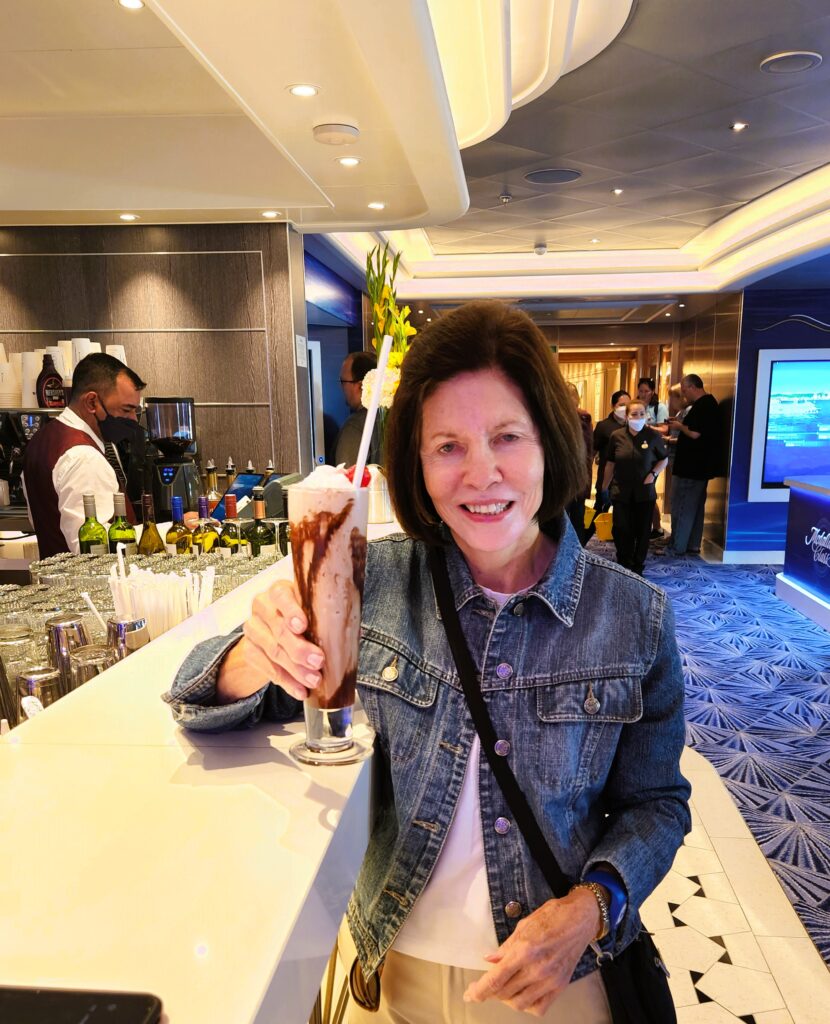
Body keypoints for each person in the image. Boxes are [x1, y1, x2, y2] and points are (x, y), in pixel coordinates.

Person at [165, 301, 689, 1023]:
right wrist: (256, 653)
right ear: (414, 460)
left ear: (549, 444)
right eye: (447, 447)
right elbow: (197, 699)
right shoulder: (370, 582)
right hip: (389, 976)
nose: (481, 475)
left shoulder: (633, 617)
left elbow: (657, 805)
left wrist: (593, 909)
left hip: (556, 987)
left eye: (506, 436)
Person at [22, 353, 146, 558]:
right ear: (91, 402)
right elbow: (98, 549)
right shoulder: (83, 458)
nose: (133, 419)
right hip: (87, 586)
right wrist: (163, 531)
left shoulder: (41, 440)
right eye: (126, 409)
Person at [602, 402, 668, 576]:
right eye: (633, 414)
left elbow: (664, 459)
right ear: (626, 416)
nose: (637, 417)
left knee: (642, 529)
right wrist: (604, 487)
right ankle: (624, 561)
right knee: (621, 528)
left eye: (641, 413)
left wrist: (653, 474)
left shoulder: (653, 436)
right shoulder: (616, 436)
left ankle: (638, 564)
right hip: (621, 490)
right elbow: (610, 463)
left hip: (644, 492)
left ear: (646, 415)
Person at [666, 373, 721, 557]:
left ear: (692, 387)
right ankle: (692, 545)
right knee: (695, 509)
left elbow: (695, 434)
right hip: (700, 468)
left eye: (684, 390)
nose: (683, 395)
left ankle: (677, 546)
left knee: (683, 507)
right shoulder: (709, 404)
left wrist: (679, 427)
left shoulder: (703, 406)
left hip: (691, 468)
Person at [334, 351, 382, 466]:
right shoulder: (393, 419)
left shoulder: (355, 426)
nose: (341, 387)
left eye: (343, 381)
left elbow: (347, 479)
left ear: (361, 386)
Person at [637, 377, 669, 540]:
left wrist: (647, 426)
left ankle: (656, 527)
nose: (643, 394)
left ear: (652, 392)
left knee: (649, 490)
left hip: (654, 454)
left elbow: (664, 428)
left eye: (646, 391)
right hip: (639, 454)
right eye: (640, 391)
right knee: (642, 490)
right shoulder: (637, 406)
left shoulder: (659, 407)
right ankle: (644, 525)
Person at [564, 381, 593, 545]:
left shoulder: (583, 418)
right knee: (569, 519)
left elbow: (586, 452)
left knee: (575, 519)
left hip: (576, 477)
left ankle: (575, 555)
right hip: (567, 477)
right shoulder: (553, 417)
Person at [592, 390, 630, 514]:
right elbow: (593, 449)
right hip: (606, 476)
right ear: (613, 406)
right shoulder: (603, 426)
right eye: (622, 405)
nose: (625, 408)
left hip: (626, 479)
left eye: (628, 405)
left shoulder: (633, 425)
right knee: (600, 510)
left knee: (622, 514)